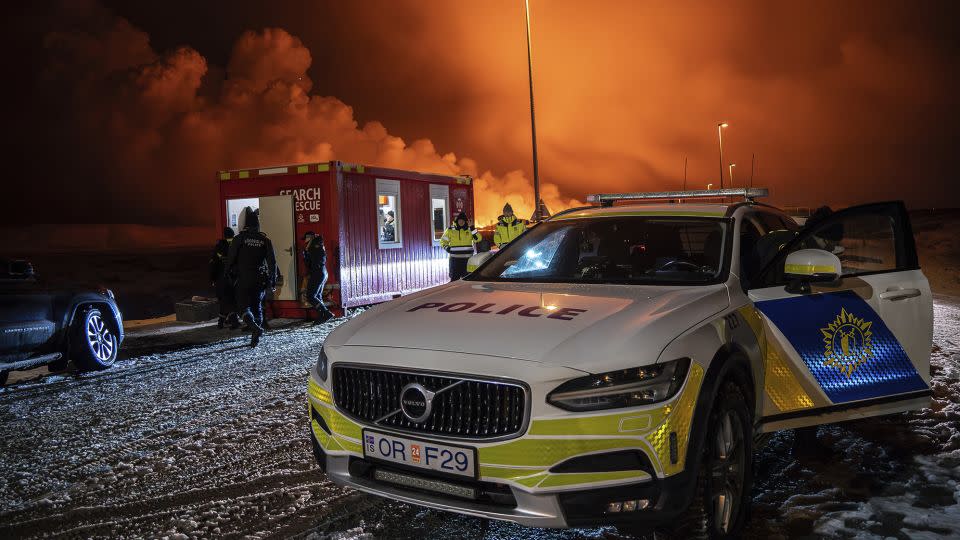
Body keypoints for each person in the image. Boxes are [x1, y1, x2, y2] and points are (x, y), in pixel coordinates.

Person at [226, 207, 277, 347]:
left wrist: (227, 275)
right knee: (257, 307)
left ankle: (254, 328)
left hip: (243, 278)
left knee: (243, 308)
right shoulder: (265, 240)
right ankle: (256, 335)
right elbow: (272, 262)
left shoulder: (239, 239)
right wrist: (272, 280)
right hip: (259, 279)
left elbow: (230, 259)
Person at [209, 227, 239, 329]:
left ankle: (221, 323)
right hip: (234, 277)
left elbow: (213, 265)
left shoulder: (219, 247)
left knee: (225, 300)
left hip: (221, 278)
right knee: (230, 300)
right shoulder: (236, 245)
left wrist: (212, 279)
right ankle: (233, 322)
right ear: (233, 234)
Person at [302, 231, 334, 324]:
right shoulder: (319, 245)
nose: (305, 241)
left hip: (317, 273)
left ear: (310, 238)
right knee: (318, 296)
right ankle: (322, 316)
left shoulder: (312, 247)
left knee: (311, 296)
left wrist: (306, 255)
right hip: (323, 272)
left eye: (306, 239)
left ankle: (326, 313)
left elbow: (310, 263)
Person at [440, 211, 480, 280]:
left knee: (467, 280)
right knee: (454, 280)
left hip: (467, 260)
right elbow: (443, 241)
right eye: (460, 220)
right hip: (455, 260)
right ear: (457, 220)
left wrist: (472, 227)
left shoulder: (470, 229)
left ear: (465, 221)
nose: (461, 222)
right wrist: (447, 248)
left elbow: (478, 239)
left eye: (463, 220)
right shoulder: (450, 230)